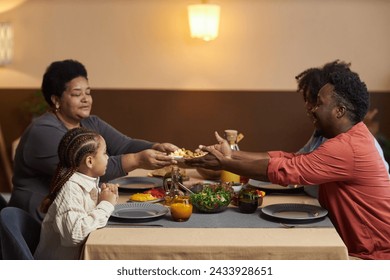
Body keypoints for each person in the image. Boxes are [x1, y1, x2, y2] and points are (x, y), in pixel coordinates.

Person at [186, 67, 390, 259]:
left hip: (372, 256)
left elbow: (287, 171)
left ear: (339, 110)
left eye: (319, 103)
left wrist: (226, 163)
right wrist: (231, 155)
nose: (312, 110)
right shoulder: (348, 138)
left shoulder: (347, 147)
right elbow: (292, 159)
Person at [10, 59, 179, 221]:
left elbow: (124, 145)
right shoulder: (43, 131)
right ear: (56, 100)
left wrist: (156, 147)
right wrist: (137, 159)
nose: (86, 99)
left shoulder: (90, 122)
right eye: (77, 94)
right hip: (39, 220)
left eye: (88, 92)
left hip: (77, 211)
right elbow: (84, 168)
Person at [294, 60, 389, 197]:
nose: (309, 107)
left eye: (314, 101)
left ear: (337, 107)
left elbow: (298, 169)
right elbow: (299, 158)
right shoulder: (322, 132)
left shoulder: (346, 145)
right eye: (306, 100)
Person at [34, 127, 118, 259]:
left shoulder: (86, 181)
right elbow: (75, 234)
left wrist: (105, 197)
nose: (108, 157)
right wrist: (106, 204)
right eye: (104, 153)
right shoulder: (70, 189)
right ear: (90, 161)